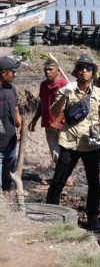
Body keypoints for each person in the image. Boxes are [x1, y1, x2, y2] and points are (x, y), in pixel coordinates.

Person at [46, 55, 100, 230]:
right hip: (69, 142)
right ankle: (51, 212)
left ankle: (92, 216)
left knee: (94, 183)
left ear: (93, 73)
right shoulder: (68, 90)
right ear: (76, 72)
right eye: (81, 68)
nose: (84, 71)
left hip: (91, 145)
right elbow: (55, 111)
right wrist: (65, 93)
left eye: (88, 68)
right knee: (59, 179)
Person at [27, 60, 68, 179]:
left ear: (58, 71)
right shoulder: (43, 85)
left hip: (63, 125)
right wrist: (34, 120)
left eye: (51, 70)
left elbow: (69, 106)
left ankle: (64, 176)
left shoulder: (64, 84)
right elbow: (42, 103)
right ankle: (65, 177)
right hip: (49, 125)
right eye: (46, 70)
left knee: (65, 153)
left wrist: (57, 120)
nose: (47, 72)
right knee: (55, 153)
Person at [0, 57, 22, 194]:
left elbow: (15, 109)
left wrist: (19, 124)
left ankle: (8, 195)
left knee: (9, 180)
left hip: (11, 142)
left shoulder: (11, 89)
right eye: (12, 72)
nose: (14, 74)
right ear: (3, 73)